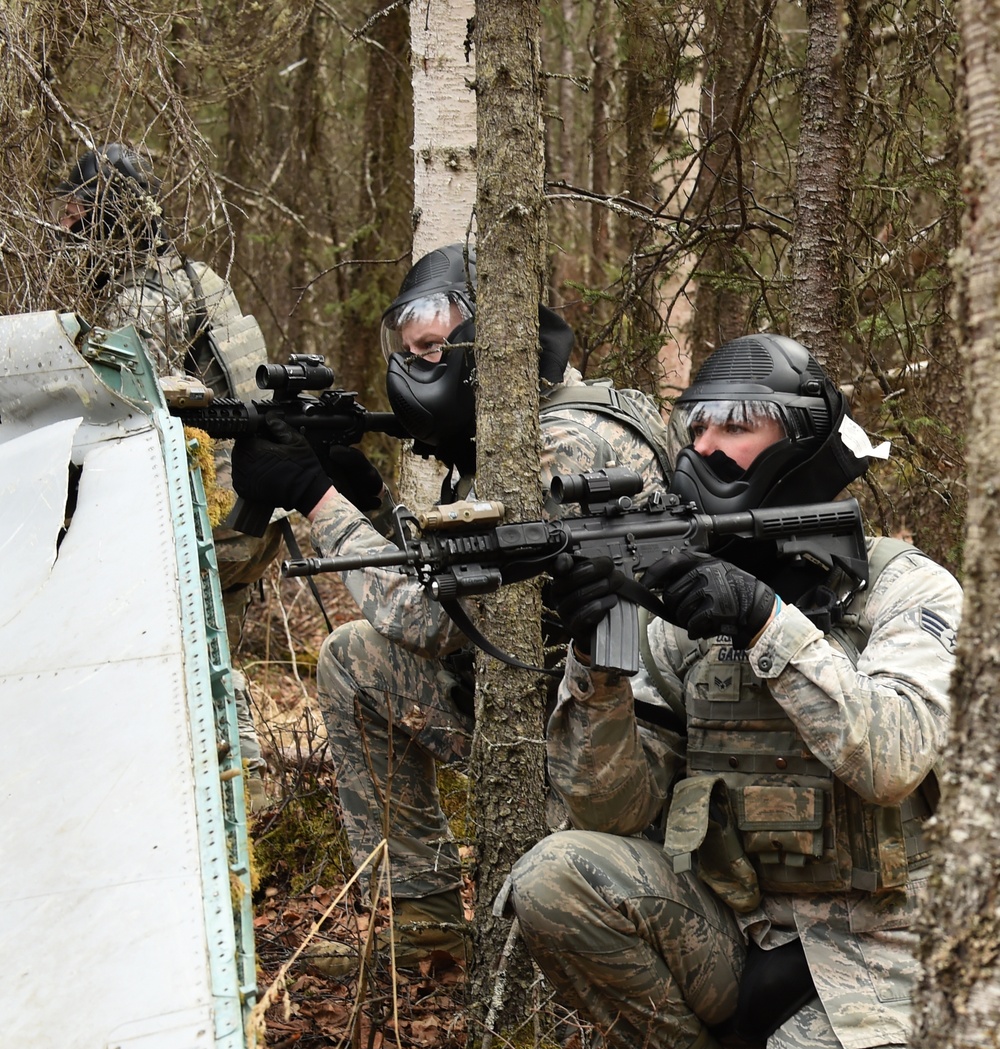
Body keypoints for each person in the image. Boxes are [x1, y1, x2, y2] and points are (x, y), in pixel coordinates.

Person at [508, 332, 961, 1049]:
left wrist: (761, 617)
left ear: (803, 443)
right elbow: (609, 810)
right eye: (697, 424)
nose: (708, 448)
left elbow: (890, 755)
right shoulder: (681, 617)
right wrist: (602, 656)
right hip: (749, 942)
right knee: (554, 876)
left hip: (881, 968)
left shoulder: (907, 592)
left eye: (740, 426)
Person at [233, 241, 682, 973]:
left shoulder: (561, 445)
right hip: (549, 705)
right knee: (356, 660)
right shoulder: (529, 427)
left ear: (496, 344)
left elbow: (429, 617)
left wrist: (317, 496)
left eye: (437, 350)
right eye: (413, 352)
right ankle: (426, 929)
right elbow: (458, 581)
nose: (418, 370)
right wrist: (368, 499)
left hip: (617, 757)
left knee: (362, 650)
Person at [56, 143, 281, 810]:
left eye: (77, 212)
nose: (67, 227)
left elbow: (140, 425)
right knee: (216, 658)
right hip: (250, 505)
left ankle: (241, 806)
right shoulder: (197, 276)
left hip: (211, 514)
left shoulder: (140, 303)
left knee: (197, 663)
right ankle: (246, 803)